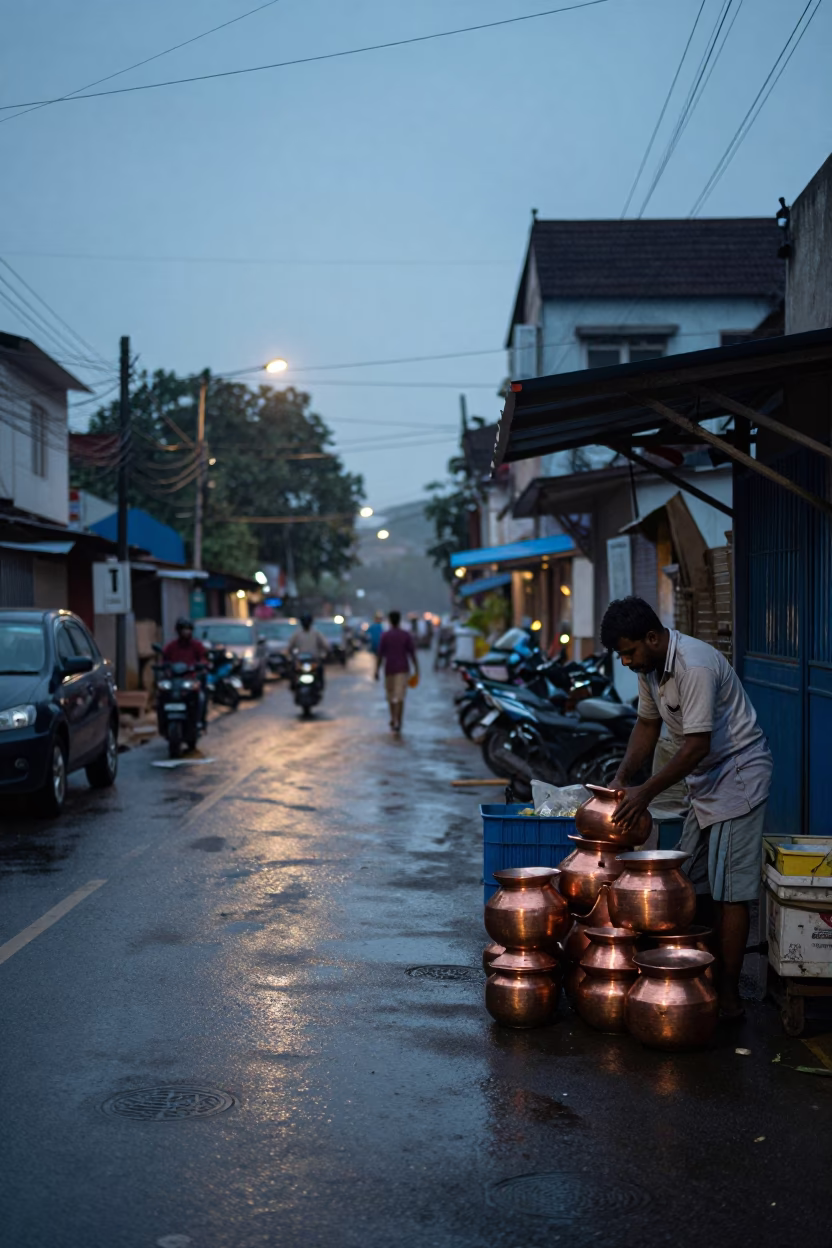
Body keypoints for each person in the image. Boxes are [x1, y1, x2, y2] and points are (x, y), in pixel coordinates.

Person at [600, 596, 772, 1020]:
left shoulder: (694, 664)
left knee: (731, 891)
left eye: (629, 651)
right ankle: (699, 974)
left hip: (738, 775)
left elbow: (696, 745)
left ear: (653, 637)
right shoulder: (651, 668)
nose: (625, 662)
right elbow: (647, 724)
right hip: (702, 778)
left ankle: (729, 995)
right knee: (688, 879)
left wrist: (645, 793)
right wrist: (623, 779)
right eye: (621, 654)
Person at [375, 610, 418, 733]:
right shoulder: (405, 635)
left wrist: (376, 670)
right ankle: (399, 720)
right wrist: (417, 669)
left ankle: (393, 719)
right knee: (399, 697)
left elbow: (380, 655)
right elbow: (412, 654)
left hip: (389, 669)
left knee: (391, 696)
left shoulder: (385, 635)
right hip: (402, 669)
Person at [162, 617, 208, 727]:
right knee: (162, 696)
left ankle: (200, 721)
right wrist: (165, 668)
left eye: (188, 629)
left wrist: (200, 666)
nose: (186, 632)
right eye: (183, 629)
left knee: (201, 697)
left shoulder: (197, 646)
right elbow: (164, 660)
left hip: (190, 678)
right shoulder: (171, 647)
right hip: (175, 680)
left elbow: (203, 658)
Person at [288, 614, 330, 687]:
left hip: (313, 660)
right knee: (292, 670)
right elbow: (290, 646)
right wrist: (291, 655)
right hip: (301, 660)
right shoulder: (297, 634)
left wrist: (326, 653)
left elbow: (325, 645)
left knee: (320, 670)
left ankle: (320, 685)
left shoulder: (316, 633)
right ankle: (293, 685)